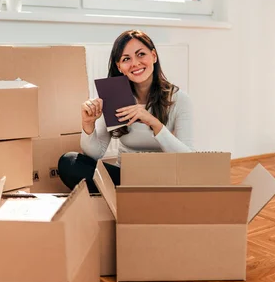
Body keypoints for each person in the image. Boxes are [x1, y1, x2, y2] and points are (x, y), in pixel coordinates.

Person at [58, 29, 194, 192]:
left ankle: (132, 199)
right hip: (124, 179)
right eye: (126, 59)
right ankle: (135, 198)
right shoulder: (114, 96)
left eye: (141, 54)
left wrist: (154, 124)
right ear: (119, 66)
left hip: (162, 180)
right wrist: (88, 125)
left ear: (154, 56)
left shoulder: (178, 99)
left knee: (191, 179)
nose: (135, 63)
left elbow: (188, 160)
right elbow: (95, 155)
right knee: (69, 162)